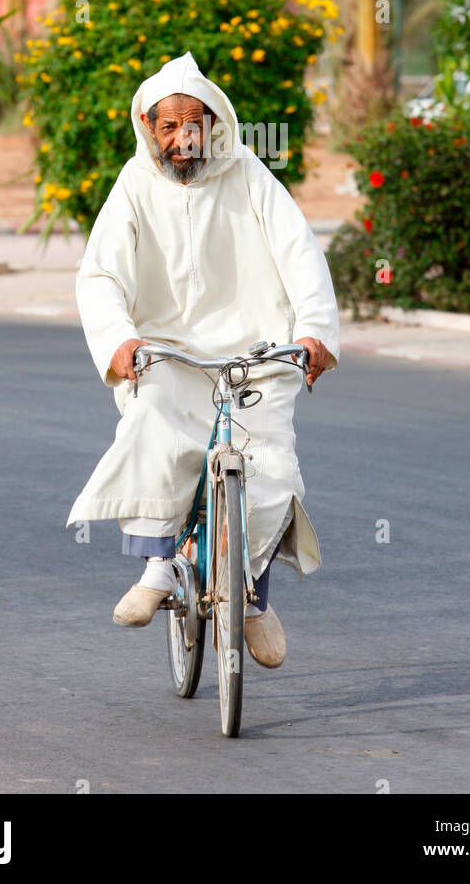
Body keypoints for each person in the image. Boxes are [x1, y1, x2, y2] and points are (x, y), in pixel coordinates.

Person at [66, 51, 340, 668]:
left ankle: (253, 603)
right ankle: (159, 566)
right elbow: (101, 274)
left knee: (267, 463)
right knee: (151, 424)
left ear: (217, 125)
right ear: (148, 126)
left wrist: (317, 331)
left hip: (255, 352)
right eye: (170, 126)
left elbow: (302, 254)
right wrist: (121, 341)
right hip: (168, 355)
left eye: (196, 124)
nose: (184, 138)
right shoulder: (134, 186)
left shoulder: (250, 177)